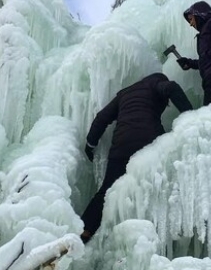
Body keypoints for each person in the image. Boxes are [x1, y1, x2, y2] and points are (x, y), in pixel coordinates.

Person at [80, 72, 192, 243]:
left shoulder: (124, 93)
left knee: (107, 191)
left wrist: (90, 143)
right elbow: (171, 87)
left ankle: (85, 230)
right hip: (148, 143)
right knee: (160, 185)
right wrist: (190, 115)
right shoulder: (156, 84)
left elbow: (102, 118)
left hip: (121, 147)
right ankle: (158, 232)